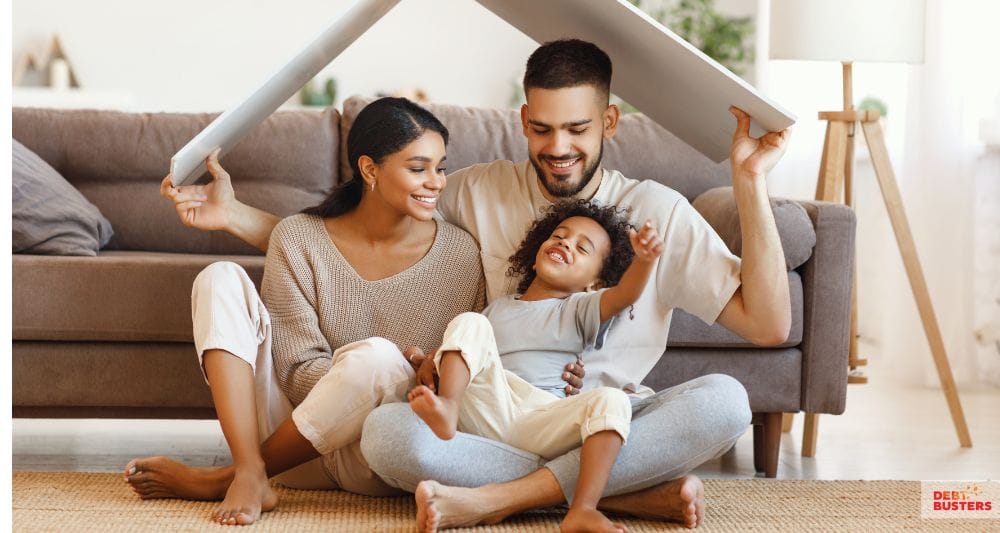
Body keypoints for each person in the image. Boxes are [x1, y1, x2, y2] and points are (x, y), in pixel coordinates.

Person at [158, 39, 791, 530]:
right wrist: (234, 217)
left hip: (605, 420)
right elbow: (356, 233)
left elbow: (767, 325)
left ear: (611, 122)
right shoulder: (476, 191)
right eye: (542, 128)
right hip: (490, 424)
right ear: (523, 119)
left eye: (577, 128)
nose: (558, 146)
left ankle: (502, 500)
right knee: (388, 435)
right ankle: (612, 493)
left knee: (725, 403)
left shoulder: (657, 211)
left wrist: (750, 182)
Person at [124, 97, 485, 526]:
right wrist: (350, 379)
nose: (437, 182)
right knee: (218, 277)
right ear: (370, 169)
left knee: (378, 358)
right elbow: (294, 371)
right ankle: (249, 466)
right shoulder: (298, 237)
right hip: (294, 443)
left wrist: (412, 371)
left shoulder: (461, 253)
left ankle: (232, 476)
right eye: (418, 167)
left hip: (378, 450)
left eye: (441, 167)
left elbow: (461, 366)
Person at [408, 200, 664, 533]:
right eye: (559, 235)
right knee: (469, 321)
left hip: (541, 416)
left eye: (582, 248)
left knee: (612, 400)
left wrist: (644, 261)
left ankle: (583, 510)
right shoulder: (497, 308)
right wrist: (428, 359)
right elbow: (467, 350)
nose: (565, 243)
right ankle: (448, 408)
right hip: (489, 406)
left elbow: (625, 295)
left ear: (595, 283)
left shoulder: (578, 309)